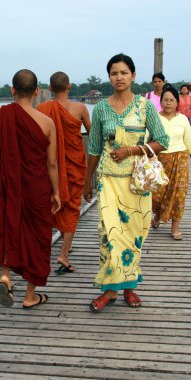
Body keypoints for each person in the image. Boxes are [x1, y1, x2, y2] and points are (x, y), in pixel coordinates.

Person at [83, 53, 169, 312]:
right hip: (108, 181)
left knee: (133, 238)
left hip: (137, 184)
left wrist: (131, 151)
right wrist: (87, 182)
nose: (118, 77)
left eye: (123, 72)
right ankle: (109, 292)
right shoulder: (100, 109)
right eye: (113, 73)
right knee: (108, 237)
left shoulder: (145, 107)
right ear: (109, 77)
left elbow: (162, 140)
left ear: (133, 75)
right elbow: (95, 147)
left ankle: (129, 288)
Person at [0, 69, 61, 309]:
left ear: (12, 90)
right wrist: (56, 192)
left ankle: (5, 274)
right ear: (37, 91)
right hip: (36, 187)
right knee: (37, 236)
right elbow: (52, 163)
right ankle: (30, 296)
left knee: (9, 225)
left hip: (8, 188)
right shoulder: (46, 122)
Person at [37, 72, 91, 274]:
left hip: (50, 167)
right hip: (74, 166)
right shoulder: (80, 108)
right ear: (69, 86)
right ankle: (64, 255)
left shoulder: (42, 108)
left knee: (52, 205)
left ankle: (45, 252)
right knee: (72, 208)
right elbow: (92, 134)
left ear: (50, 89)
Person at [152, 86, 191, 239]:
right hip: (160, 160)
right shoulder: (155, 117)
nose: (168, 103)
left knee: (178, 194)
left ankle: (175, 227)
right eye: (165, 100)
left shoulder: (182, 119)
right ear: (161, 102)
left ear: (177, 102)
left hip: (180, 160)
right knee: (158, 194)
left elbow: (188, 140)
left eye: (172, 100)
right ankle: (157, 216)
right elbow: (147, 137)